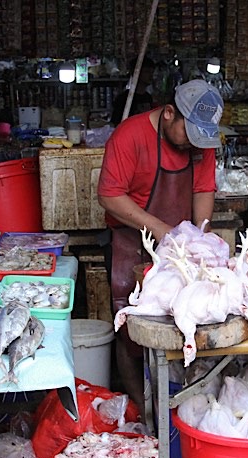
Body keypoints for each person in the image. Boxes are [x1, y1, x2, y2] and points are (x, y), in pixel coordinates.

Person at [97, 80, 222, 407]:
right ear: (169, 114)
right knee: (131, 330)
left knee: (183, 322)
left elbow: (203, 189)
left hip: (179, 249)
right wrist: (158, 228)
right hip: (130, 243)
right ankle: (142, 407)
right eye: (188, 134)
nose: (194, 144)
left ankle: (178, 402)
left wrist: (201, 237)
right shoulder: (130, 136)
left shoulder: (200, 143)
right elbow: (109, 196)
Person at [110, 58, 156, 126]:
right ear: (136, 73)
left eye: (152, 72)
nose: (150, 75)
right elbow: (116, 123)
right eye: (147, 72)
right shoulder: (123, 99)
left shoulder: (148, 97)